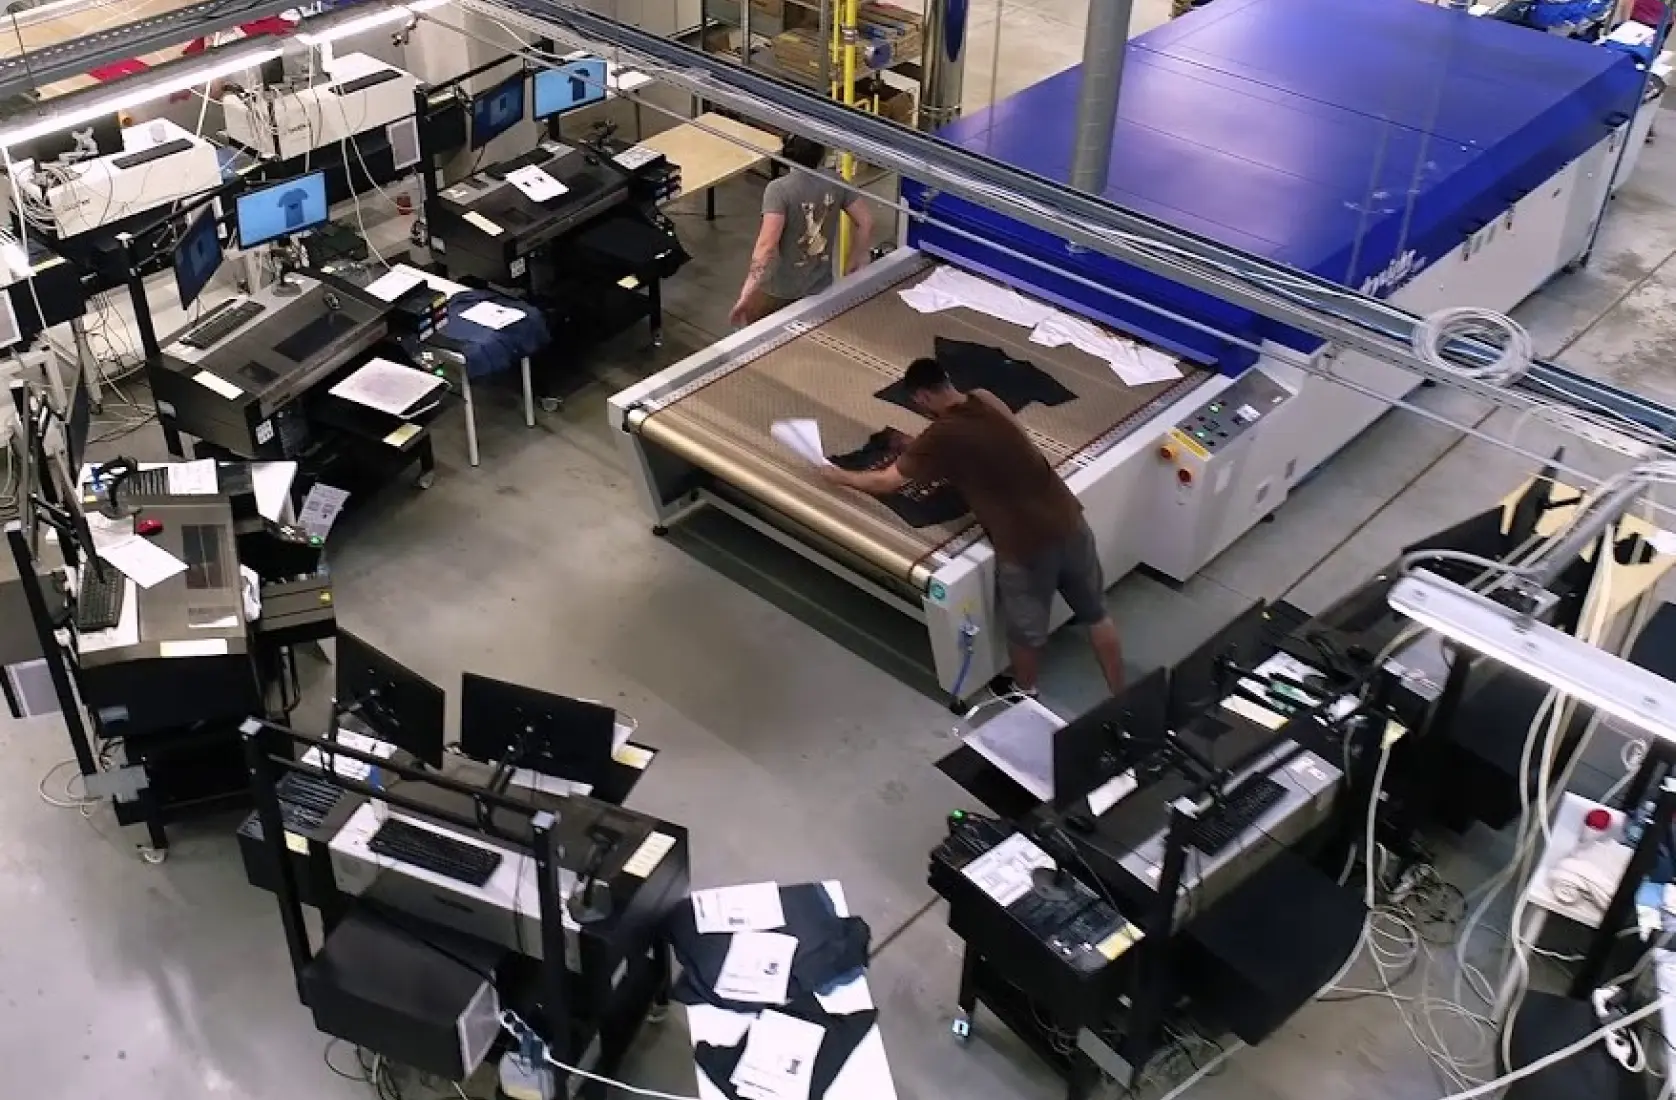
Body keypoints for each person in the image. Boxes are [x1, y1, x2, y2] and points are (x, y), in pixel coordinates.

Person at [821, 358, 1126, 697]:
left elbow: (886, 481)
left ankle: (1024, 692)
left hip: (1025, 545)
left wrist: (839, 476)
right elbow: (1010, 442)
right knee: (1096, 615)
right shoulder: (985, 397)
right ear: (947, 379)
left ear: (921, 397)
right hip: (1069, 519)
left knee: (1026, 633)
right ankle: (1121, 694)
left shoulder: (942, 435)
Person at [729, 136, 875, 327]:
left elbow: (766, 246)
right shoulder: (835, 182)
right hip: (819, 288)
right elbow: (866, 221)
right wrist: (855, 261)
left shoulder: (779, 190)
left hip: (778, 292)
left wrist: (747, 292)